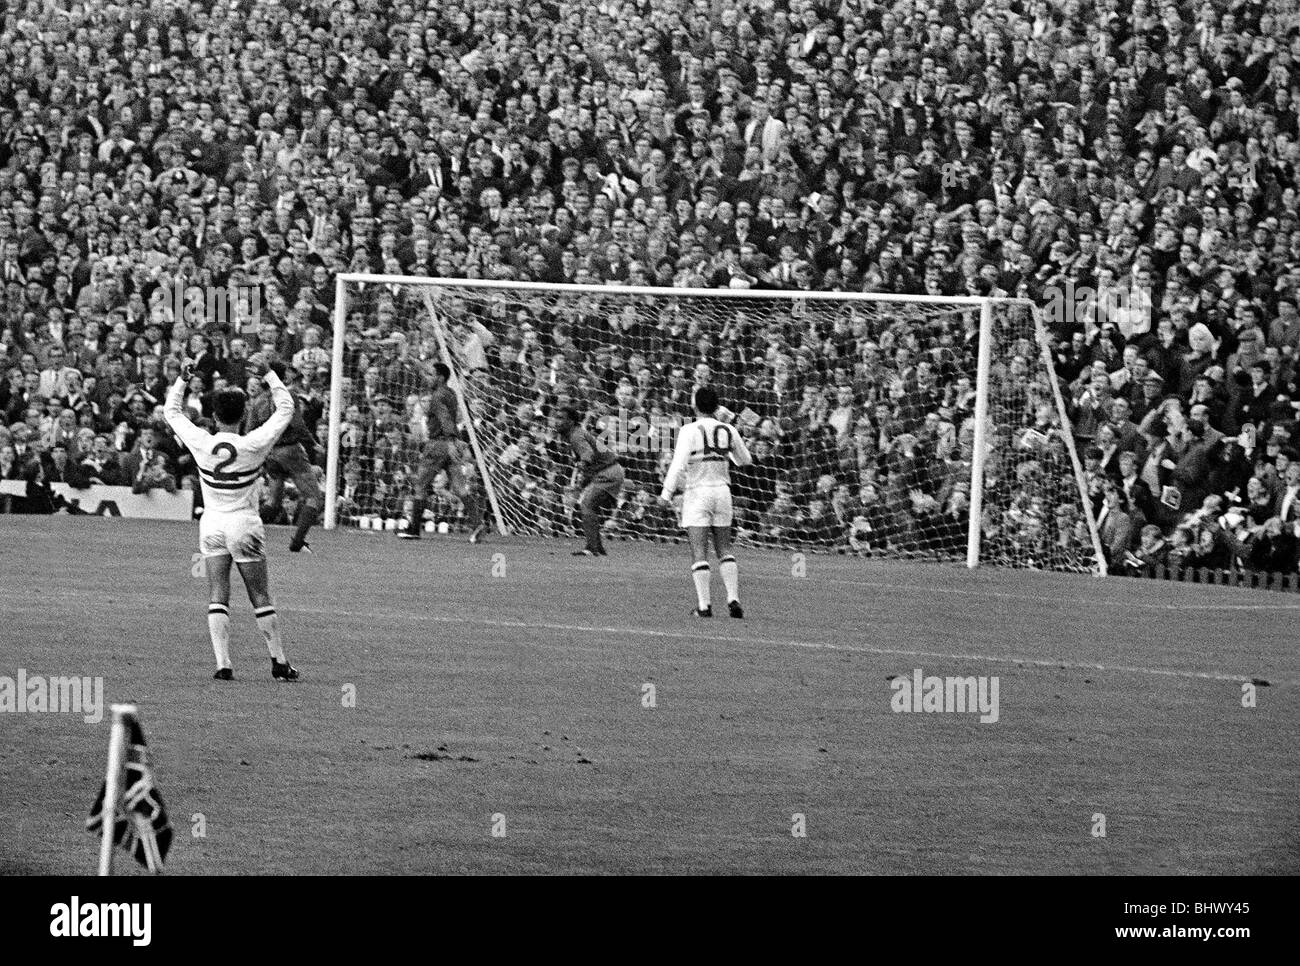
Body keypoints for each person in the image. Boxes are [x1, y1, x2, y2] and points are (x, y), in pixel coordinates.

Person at [163, 357, 299, 682]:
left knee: (217, 592)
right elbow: (285, 409)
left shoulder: (202, 442)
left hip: (211, 523)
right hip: (244, 523)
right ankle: (279, 662)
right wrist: (268, 373)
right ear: (245, 415)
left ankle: (223, 664)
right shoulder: (253, 443)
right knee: (260, 595)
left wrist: (182, 380)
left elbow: (171, 412)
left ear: (213, 416)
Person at [659, 386, 753, 617]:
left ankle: (704, 606)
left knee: (699, 550)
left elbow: (677, 465)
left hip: (698, 493)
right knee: (724, 548)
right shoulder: (728, 429)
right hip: (723, 492)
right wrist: (724, 451)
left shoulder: (689, 430)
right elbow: (745, 460)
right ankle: (733, 599)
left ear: (695, 405)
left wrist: (665, 494)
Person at [244, 358, 323, 553]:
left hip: (270, 454)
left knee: (273, 502)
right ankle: (297, 542)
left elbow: (249, 431)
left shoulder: (258, 401)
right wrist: (314, 444)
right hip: (290, 451)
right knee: (313, 498)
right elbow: (297, 424)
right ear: (283, 375)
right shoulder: (288, 394)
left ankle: (245, 532)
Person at [400, 362, 483, 542]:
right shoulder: (451, 393)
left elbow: (445, 419)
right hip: (450, 446)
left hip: (438, 445)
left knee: (421, 486)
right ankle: (477, 524)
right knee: (460, 488)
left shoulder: (437, 396)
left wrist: (451, 439)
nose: (427, 378)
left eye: (431, 374)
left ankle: (413, 528)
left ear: (440, 377)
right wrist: (454, 442)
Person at [556, 404, 625, 556]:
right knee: (589, 506)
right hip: (610, 471)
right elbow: (592, 462)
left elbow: (588, 454)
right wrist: (581, 485)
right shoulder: (576, 434)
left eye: (561, 418)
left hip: (608, 473)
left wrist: (582, 463)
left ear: (571, 422)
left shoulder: (576, 436)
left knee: (587, 505)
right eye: (556, 418)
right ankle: (597, 547)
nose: (557, 421)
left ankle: (592, 547)